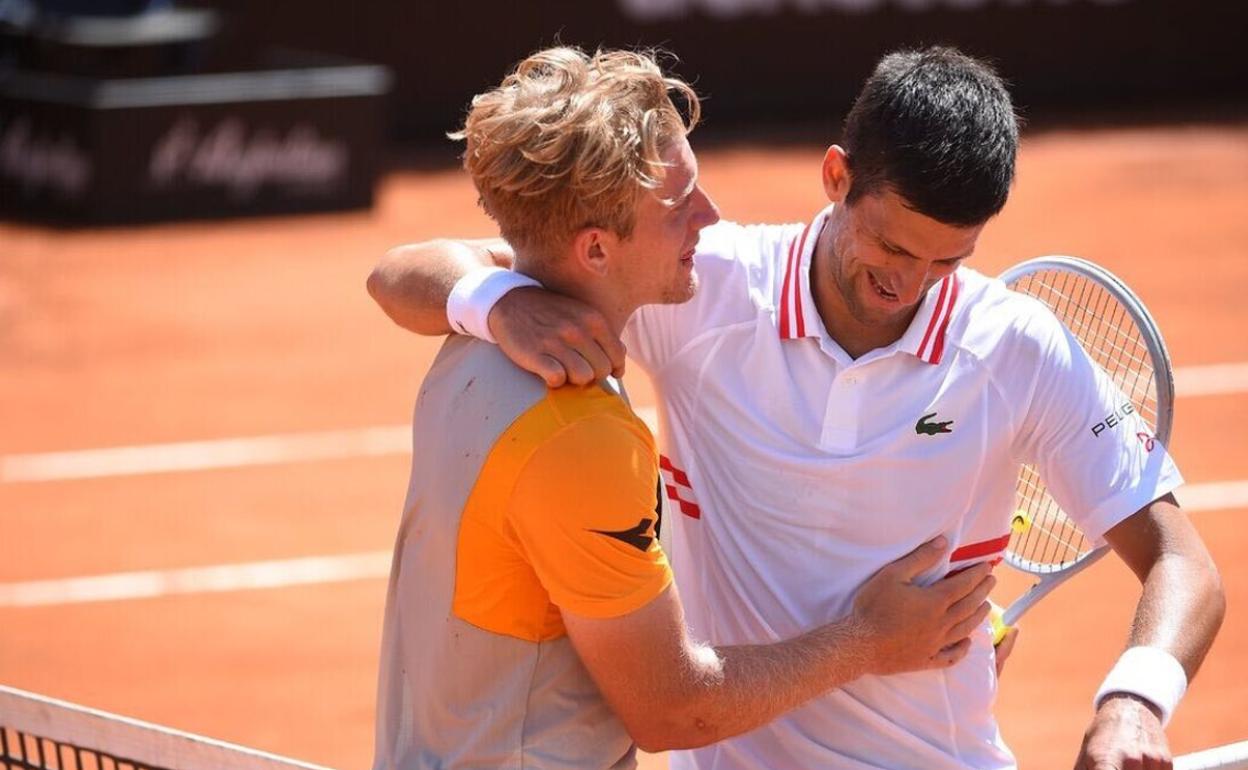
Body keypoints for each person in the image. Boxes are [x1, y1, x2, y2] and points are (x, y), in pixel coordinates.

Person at [370, 46, 1225, 770]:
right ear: (836, 177)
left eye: (948, 261)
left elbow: (1183, 562)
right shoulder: (701, 289)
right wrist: (498, 302)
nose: (911, 285)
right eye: (891, 244)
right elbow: (403, 273)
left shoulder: (1017, 347)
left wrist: (1134, 701)